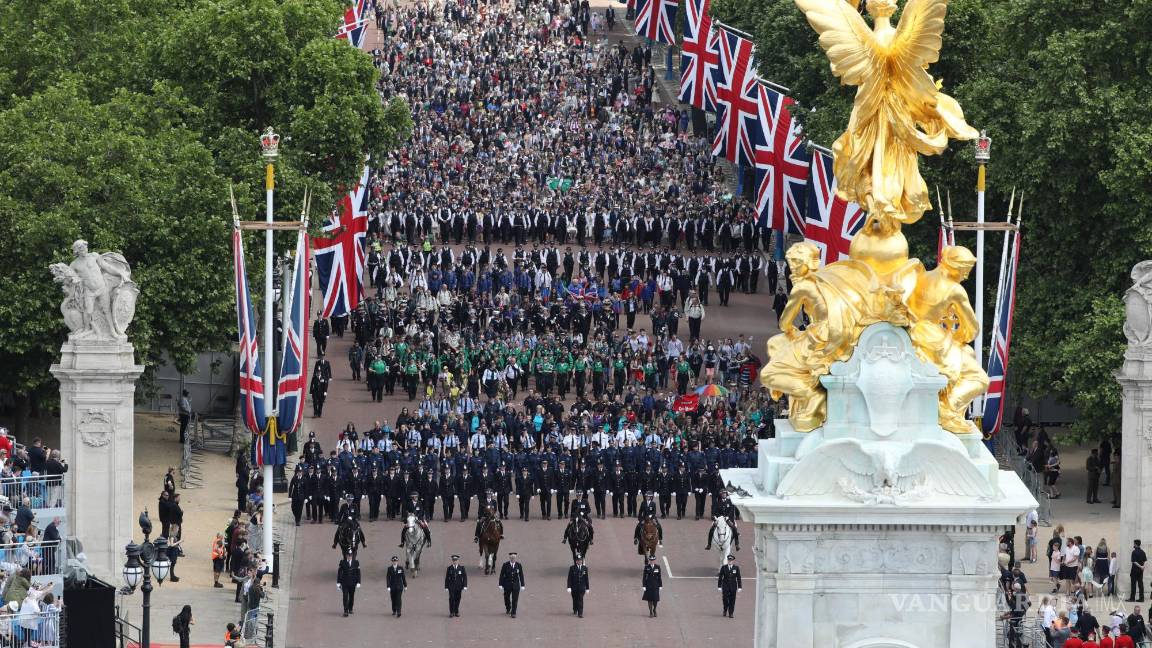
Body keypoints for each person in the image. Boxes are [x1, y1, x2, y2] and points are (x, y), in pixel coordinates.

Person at [498, 552, 526, 618]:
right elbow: (501, 575)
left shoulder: (518, 565)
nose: (513, 559)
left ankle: (513, 613)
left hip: (516, 585)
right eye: (512, 558)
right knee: (506, 597)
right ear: (510, 558)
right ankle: (508, 607)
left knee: (515, 599)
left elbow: (521, 575)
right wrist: (500, 584)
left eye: (514, 558)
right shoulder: (505, 565)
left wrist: (522, 585)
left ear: (515, 558)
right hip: (507, 584)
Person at [336, 550, 361, 617]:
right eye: (348, 555)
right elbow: (339, 573)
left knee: (351, 596)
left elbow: (358, 573)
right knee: (345, 596)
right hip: (344, 583)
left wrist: (359, 582)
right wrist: (338, 582)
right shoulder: (342, 562)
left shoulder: (356, 562)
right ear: (346, 556)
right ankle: (345, 611)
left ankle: (350, 608)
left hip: (353, 583)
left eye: (350, 555)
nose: (349, 556)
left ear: (352, 556)